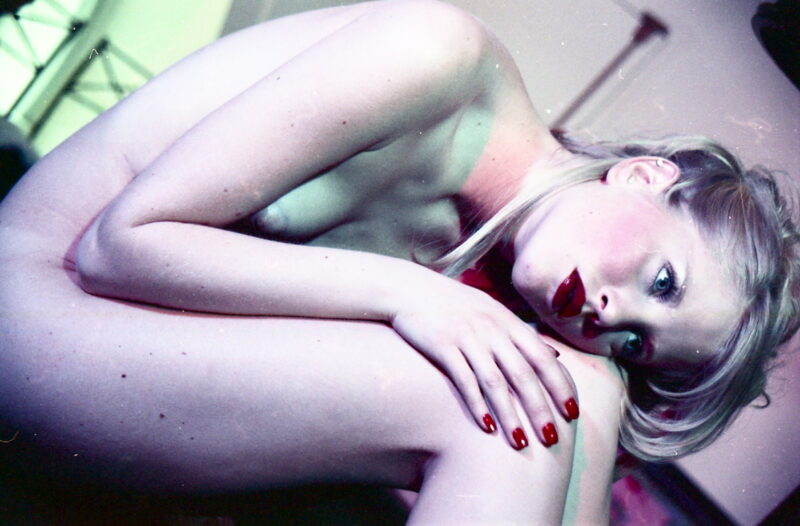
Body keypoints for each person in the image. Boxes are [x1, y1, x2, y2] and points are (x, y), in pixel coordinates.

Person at [0, 0, 796, 523]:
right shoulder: (435, 51)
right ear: (645, 176)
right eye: (663, 281)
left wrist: (605, 386)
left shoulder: (504, 279)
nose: (612, 316)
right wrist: (412, 294)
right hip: (39, 290)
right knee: (507, 426)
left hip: (121, 353)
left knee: (573, 396)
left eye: (638, 343)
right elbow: (117, 247)